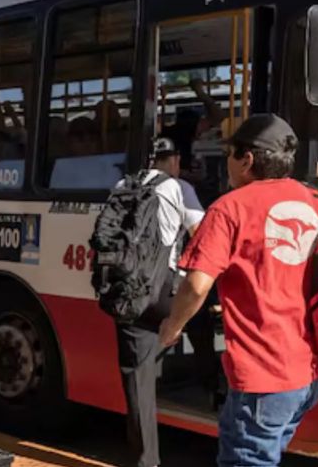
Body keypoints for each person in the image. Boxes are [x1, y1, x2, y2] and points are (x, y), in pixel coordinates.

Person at [159, 114, 318, 466]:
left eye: (230, 153)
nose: (226, 162)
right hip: (313, 373)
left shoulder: (230, 208)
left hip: (264, 373)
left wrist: (172, 327)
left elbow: (197, 285)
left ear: (247, 160)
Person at [116, 137, 204, 467]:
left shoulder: (123, 184)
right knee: (201, 312)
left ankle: (145, 460)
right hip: (164, 288)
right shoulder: (180, 188)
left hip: (128, 287)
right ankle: (210, 382)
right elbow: (202, 235)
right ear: (175, 161)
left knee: (137, 374)